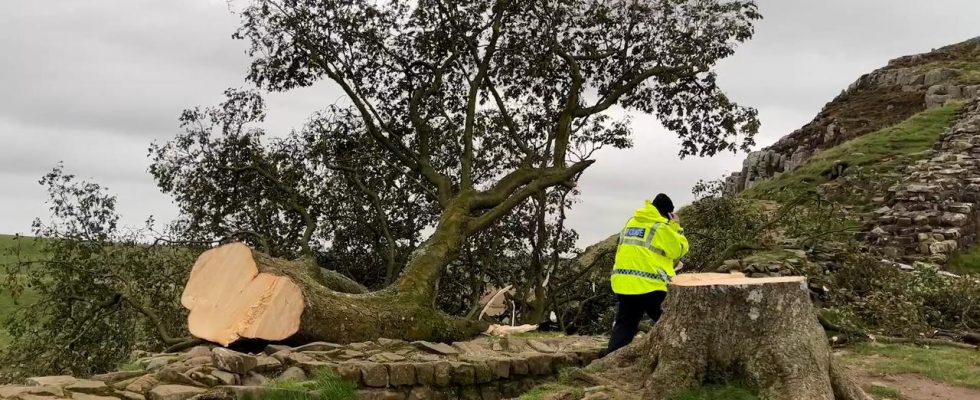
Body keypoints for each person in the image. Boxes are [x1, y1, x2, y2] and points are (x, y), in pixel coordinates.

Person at [605, 193, 689, 354]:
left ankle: (610, 359)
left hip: (624, 282)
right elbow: (678, 249)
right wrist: (676, 227)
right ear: (667, 213)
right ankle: (678, 354)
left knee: (625, 324)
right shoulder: (660, 227)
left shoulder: (632, 222)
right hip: (650, 285)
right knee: (669, 320)